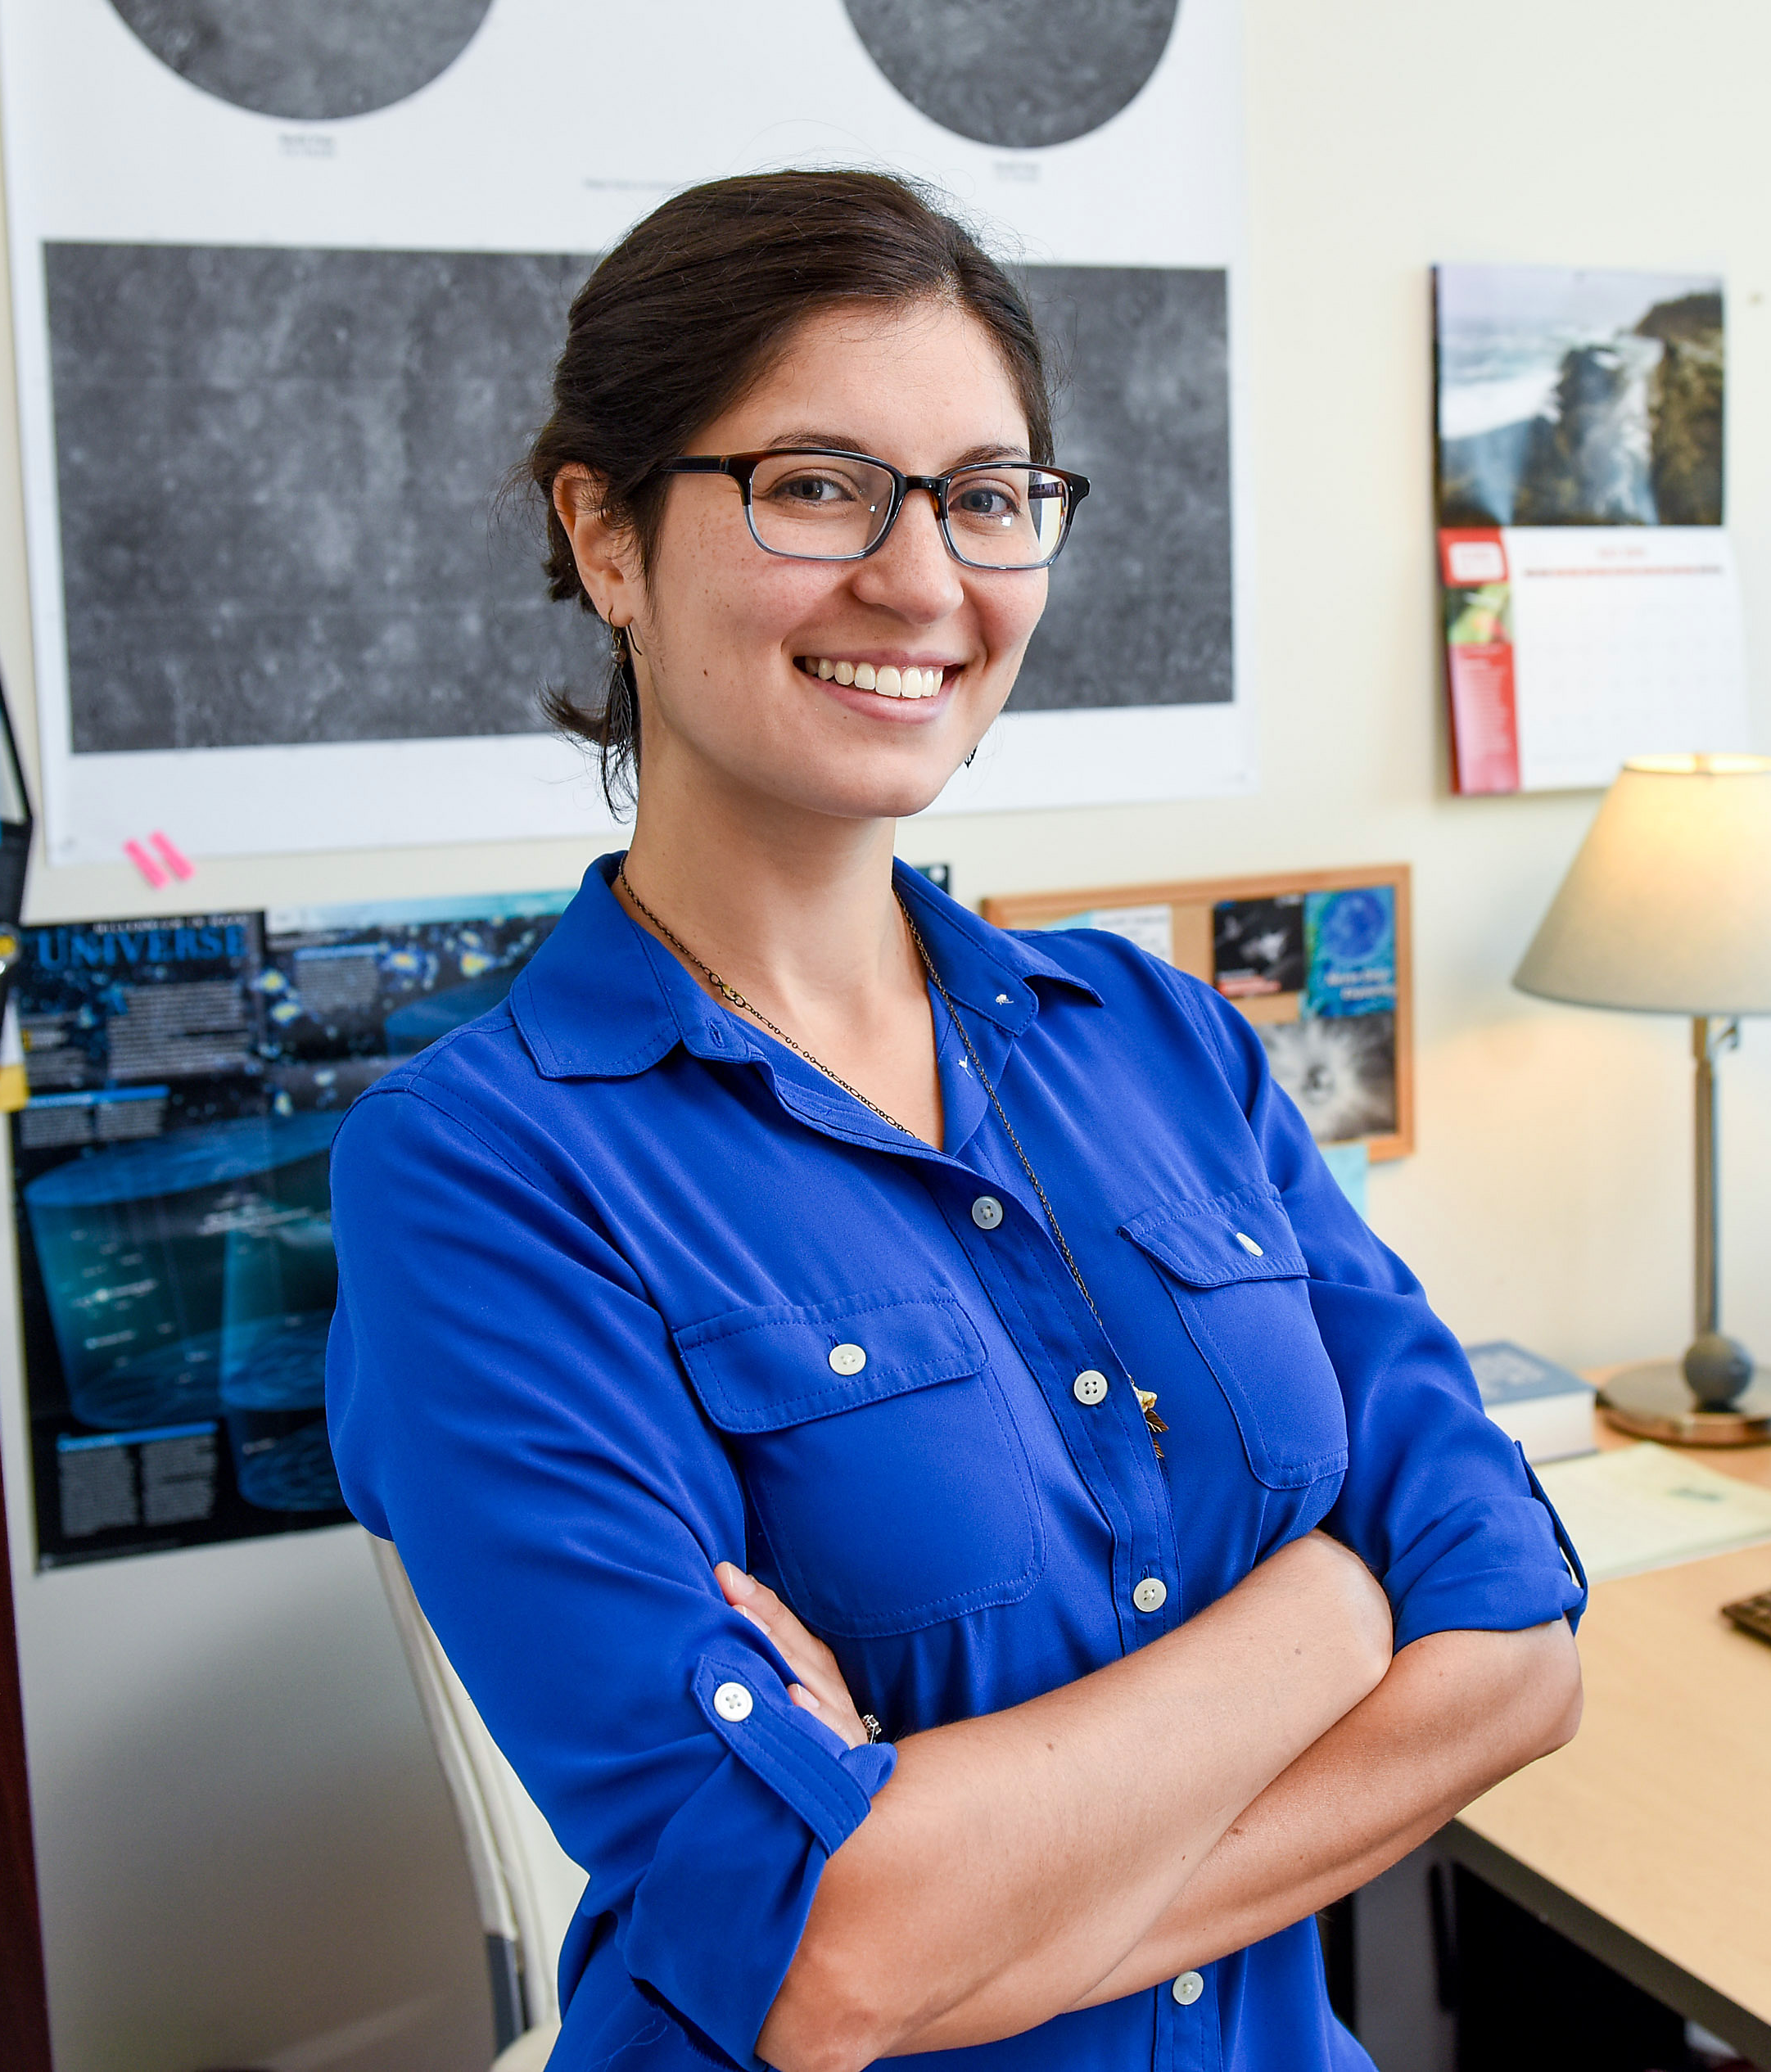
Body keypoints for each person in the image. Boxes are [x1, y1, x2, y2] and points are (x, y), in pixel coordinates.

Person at [328, 169, 1584, 2072]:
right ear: (604, 534)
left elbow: (1520, 1658)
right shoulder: (488, 1176)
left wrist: (947, 1899)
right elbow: (824, 1954)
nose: (924, 584)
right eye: (818, 485)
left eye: (989, 499)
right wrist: (1333, 1616)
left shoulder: (1162, 1041)